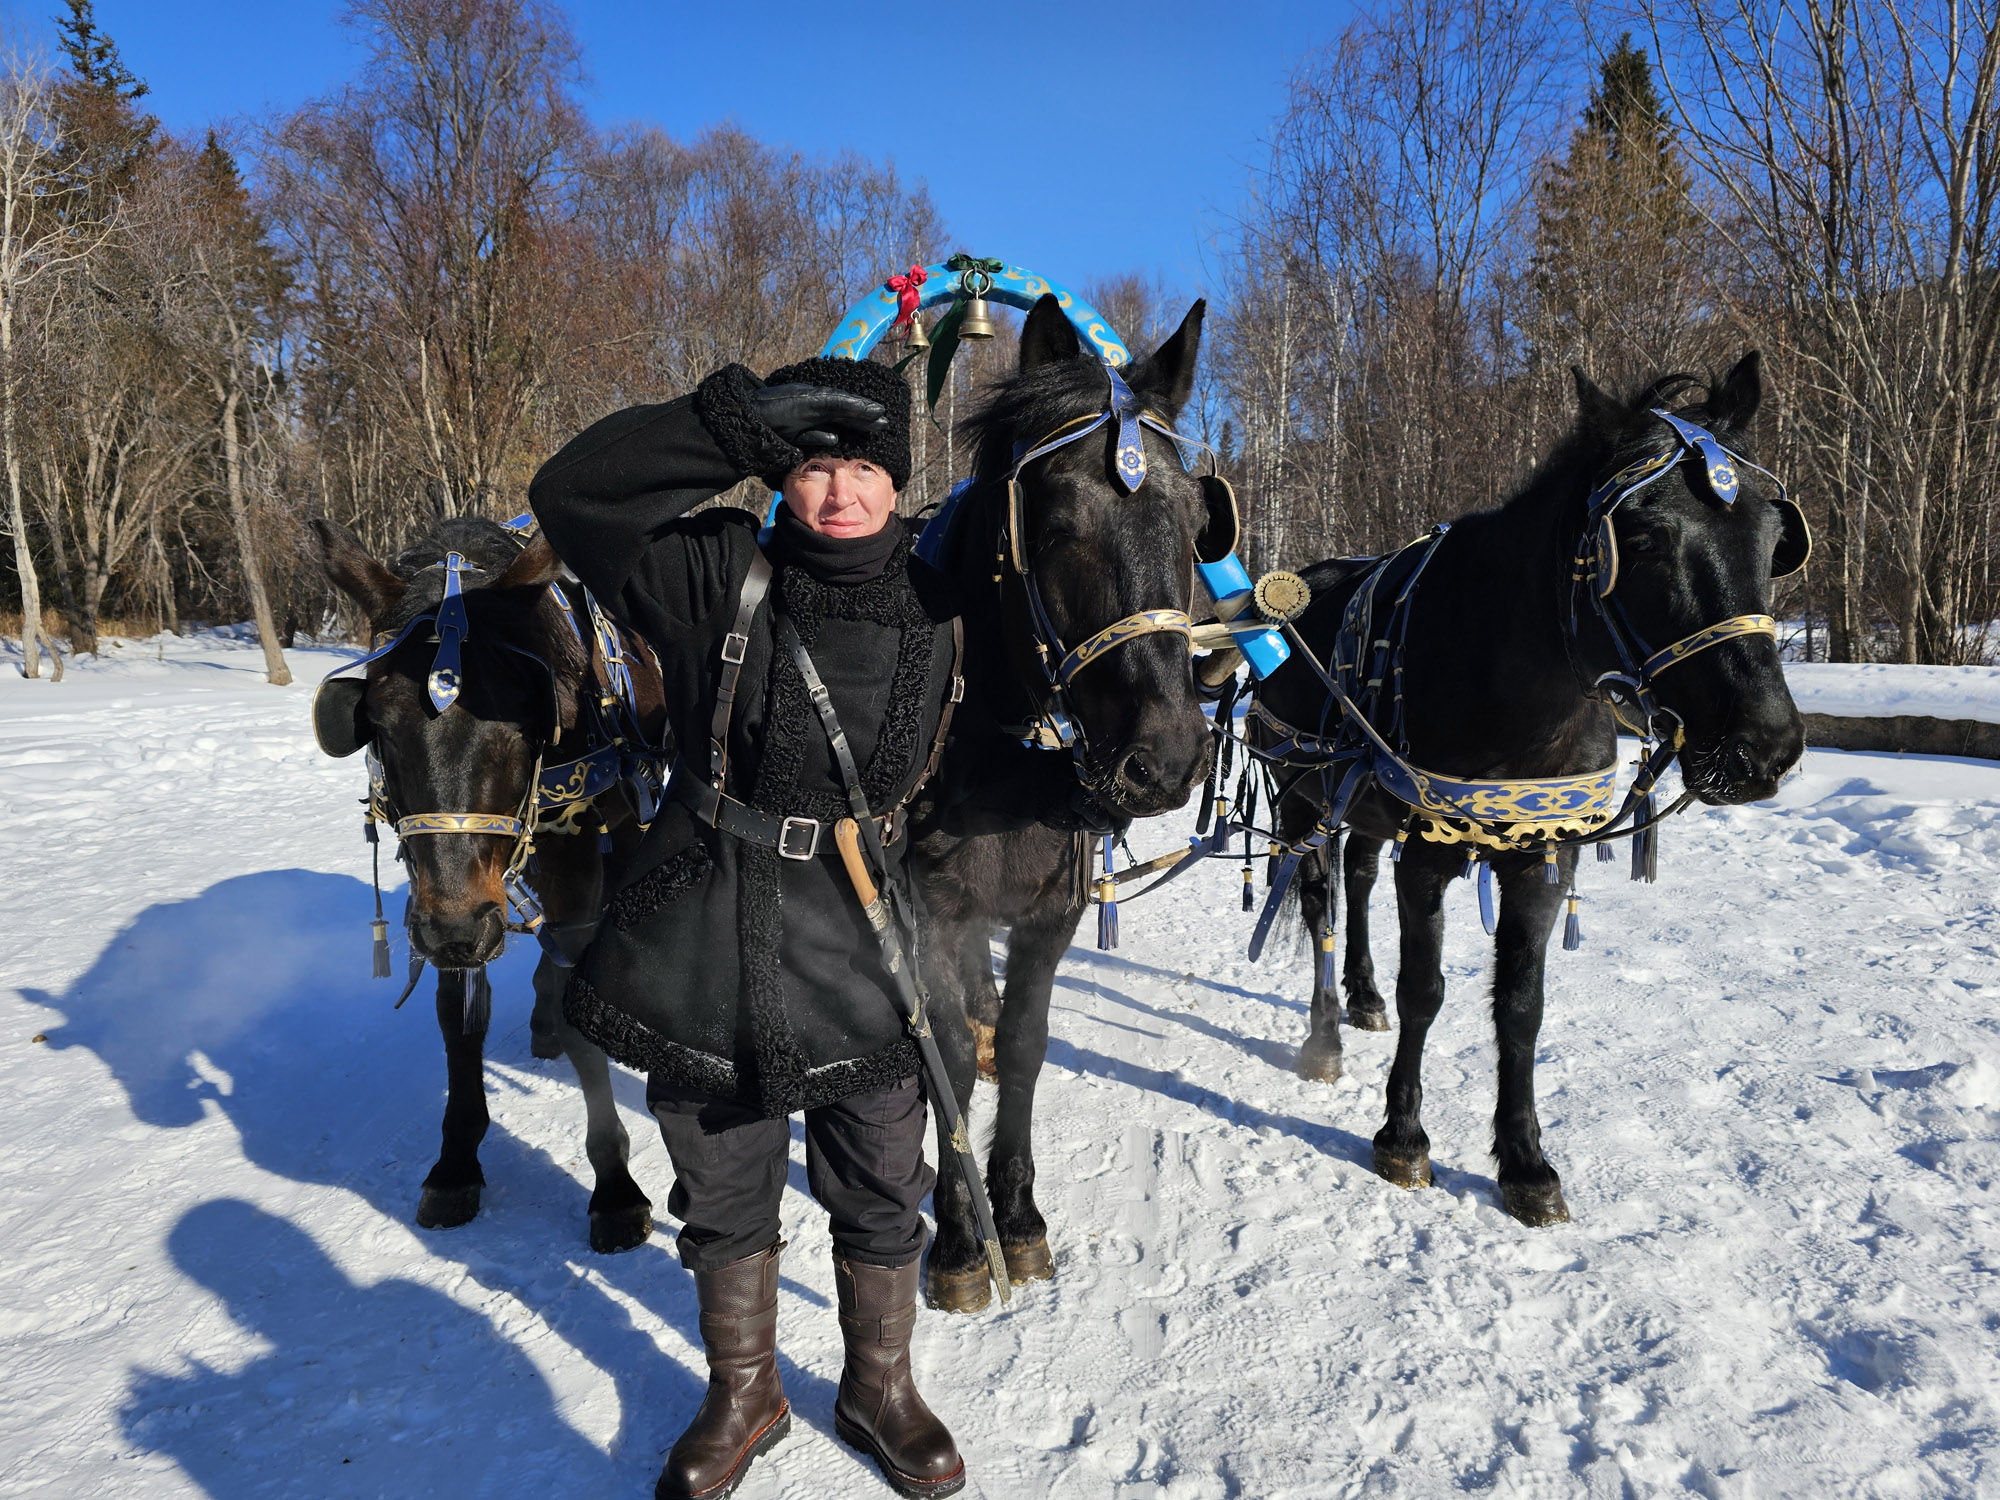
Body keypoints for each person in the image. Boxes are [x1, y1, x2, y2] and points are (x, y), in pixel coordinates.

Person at [530, 355, 1009, 1500]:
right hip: (705, 922)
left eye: (861, 466)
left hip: (870, 938)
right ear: (778, 477)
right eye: (809, 465)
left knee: (881, 1180)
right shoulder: (714, 574)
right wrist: (729, 425)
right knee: (723, 1177)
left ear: (898, 481)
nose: (837, 491)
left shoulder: (953, 605)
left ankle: (877, 1388)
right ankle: (744, 1390)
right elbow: (572, 497)